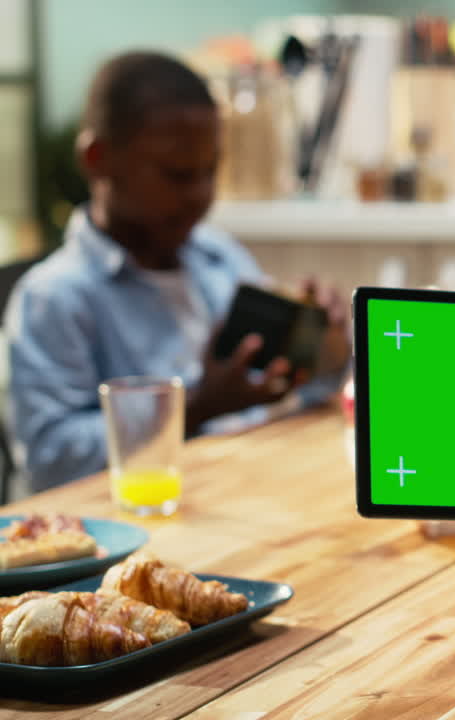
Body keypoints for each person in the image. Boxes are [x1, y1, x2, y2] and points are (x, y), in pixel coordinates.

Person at [5, 51, 348, 493]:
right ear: (98, 159)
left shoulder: (218, 259)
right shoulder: (55, 298)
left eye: (210, 171)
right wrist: (194, 408)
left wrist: (323, 349)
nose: (201, 195)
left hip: (250, 500)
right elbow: (51, 461)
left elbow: (290, 395)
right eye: (177, 174)